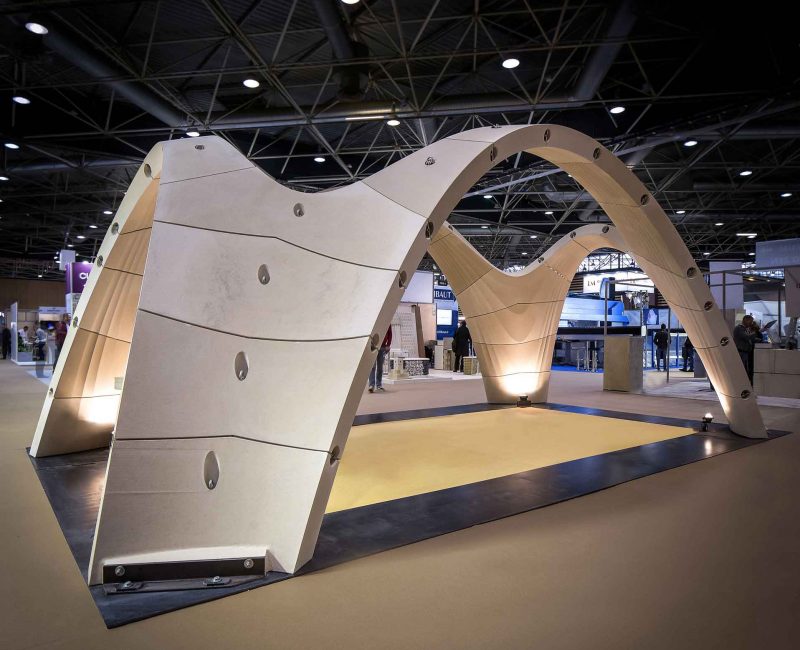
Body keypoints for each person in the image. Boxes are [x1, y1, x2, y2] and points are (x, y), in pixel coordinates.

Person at [733, 315, 764, 385]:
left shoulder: (745, 329)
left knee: (746, 369)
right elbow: (747, 337)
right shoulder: (739, 328)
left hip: (746, 352)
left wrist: (759, 340)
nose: (751, 323)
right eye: (750, 321)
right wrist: (757, 331)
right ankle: (741, 384)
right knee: (743, 370)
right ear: (745, 320)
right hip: (741, 352)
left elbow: (750, 339)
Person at [368, 325, 392, 393]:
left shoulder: (387, 321)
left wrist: (388, 345)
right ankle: (371, 385)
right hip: (373, 346)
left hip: (383, 347)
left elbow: (390, 333)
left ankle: (379, 385)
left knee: (380, 367)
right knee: (372, 366)